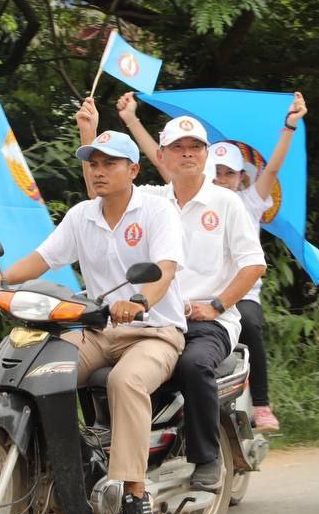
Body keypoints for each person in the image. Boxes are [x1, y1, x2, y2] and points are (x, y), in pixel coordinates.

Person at [0, 131, 186, 514]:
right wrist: (0, 280)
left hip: (154, 331)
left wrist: (140, 300)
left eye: (109, 163)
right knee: (39, 368)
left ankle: (135, 493)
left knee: (127, 382)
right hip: (99, 329)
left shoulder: (157, 212)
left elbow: (165, 271)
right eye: (93, 163)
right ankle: (53, 469)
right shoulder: (81, 215)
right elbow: (42, 258)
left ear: (133, 170)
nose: (99, 171)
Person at [78, 101, 266, 492]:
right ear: (161, 155)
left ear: (206, 154)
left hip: (209, 321)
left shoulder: (227, 203)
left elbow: (253, 266)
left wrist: (216, 305)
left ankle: (207, 458)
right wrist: (89, 132)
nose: (187, 154)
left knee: (194, 365)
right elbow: (103, 190)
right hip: (155, 318)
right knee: (95, 371)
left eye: (195, 147)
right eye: (178, 148)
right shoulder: (150, 199)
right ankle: (104, 450)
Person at [116, 91, 309, 433]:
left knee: (246, 324)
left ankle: (258, 406)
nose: (222, 177)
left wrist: (289, 128)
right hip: (167, 309)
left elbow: (274, 168)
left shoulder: (242, 201)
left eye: (229, 172)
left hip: (231, 297)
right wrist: (130, 121)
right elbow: (126, 183)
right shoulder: (159, 200)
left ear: (240, 175)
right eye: (217, 171)